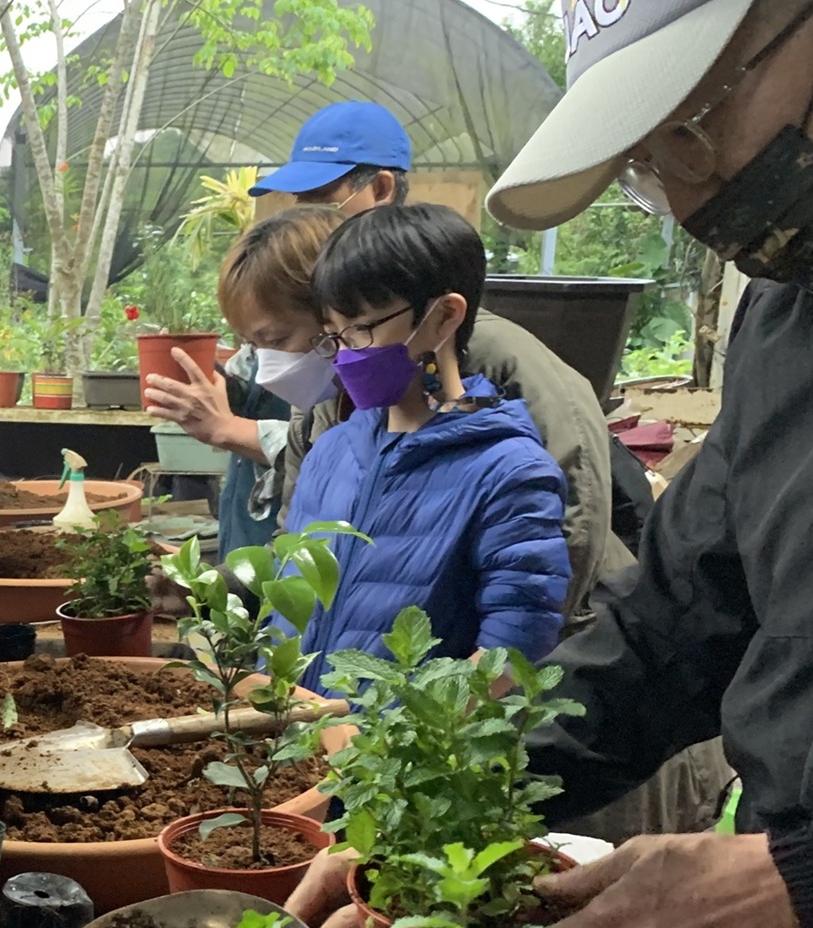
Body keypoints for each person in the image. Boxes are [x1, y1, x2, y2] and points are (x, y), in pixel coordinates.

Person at [291, 2, 813, 928]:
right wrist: (421, 805)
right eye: (641, 163)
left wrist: (795, 879)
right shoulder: (784, 315)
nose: (683, 196)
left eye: (689, 126)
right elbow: (671, 622)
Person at [145, 100, 624, 626]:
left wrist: (515, 652)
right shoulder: (326, 402)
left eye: (279, 338)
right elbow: (304, 547)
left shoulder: (488, 358)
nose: (272, 363)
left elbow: (569, 526)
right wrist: (217, 589)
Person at [279, 204, 569, 680]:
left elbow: (513, 652)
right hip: (296, 726)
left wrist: (396, 726)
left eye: (361, 329)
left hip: (396, 732)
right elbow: (289, 604)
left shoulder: (508, 471)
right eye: (334, 335)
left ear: (444, 316)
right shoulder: (330, 452)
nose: (346, 355)